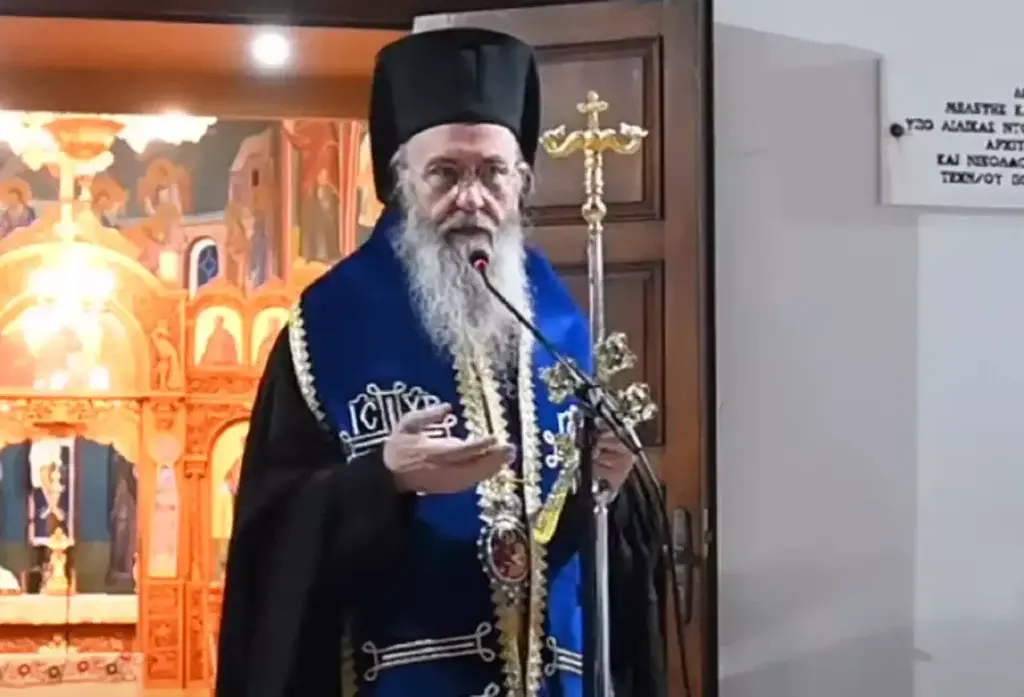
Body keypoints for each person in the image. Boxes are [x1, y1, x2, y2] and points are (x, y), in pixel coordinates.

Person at [216, 28, 668, 697]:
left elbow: (595, 555)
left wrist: (613, 486)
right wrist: (384, 480)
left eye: (492, 173)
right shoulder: (330, 323)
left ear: (521, 181)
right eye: (446, 174)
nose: (472, 197)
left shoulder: (559, 323)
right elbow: (271, 536)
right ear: (403, 180)